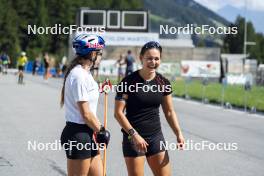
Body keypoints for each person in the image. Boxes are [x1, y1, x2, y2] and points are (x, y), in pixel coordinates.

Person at [114, 41, 185, 176]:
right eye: (149, 58)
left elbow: (169, 112)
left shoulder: (163, 83)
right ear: (141, 58)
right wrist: (134, 135)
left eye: (156, 58)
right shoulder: (128, 82)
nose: (153, 62)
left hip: (155, 137)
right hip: (132, 138)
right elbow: (118, 113)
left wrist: (178, 133)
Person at [60, 33, 110, 176]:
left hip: (88, 132)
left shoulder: (85, 74)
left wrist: (100, 87)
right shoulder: (79, 75)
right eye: (99, 53)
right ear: (92, 53)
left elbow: (87, 94)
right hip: (78, 134)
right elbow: (86, 113)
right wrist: (101, 130)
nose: (101, 56)